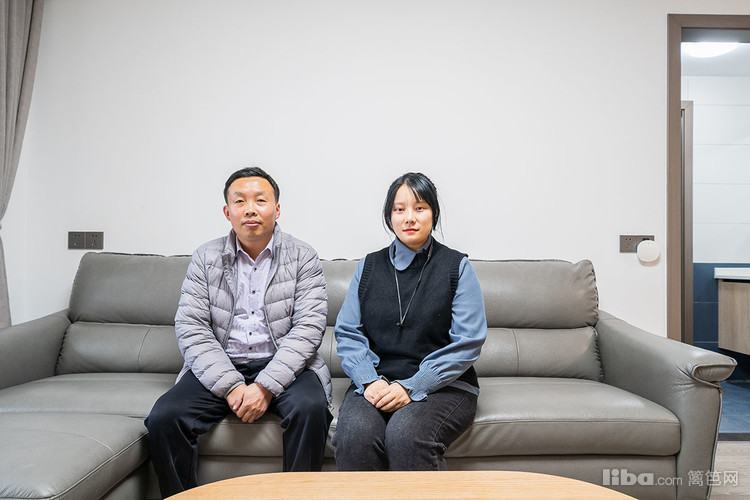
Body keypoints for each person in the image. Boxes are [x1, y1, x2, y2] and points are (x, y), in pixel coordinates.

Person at [145, 167, 332, 497]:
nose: (250, 209)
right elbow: (191, 326)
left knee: (311, 410)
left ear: (277, 209)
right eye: (240, 201)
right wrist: (230, 385)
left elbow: (308, 328)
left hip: (285, 364)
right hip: (221, 362)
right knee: (164, 417)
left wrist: (265, 386)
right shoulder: (206, 257)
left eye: (260, 200)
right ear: (227, 211)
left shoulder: (303, 256)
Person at [332, 172, 487, 471]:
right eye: (399, 209)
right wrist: (368, 379)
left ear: (434, 214)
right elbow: (349, 332)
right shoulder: (368, 266)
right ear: (389, 216)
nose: (409, 218)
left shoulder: (457, 267)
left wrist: (413, 385)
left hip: (444, 385)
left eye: (420, 208)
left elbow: (468, 342)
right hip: (377, 381)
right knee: (354, 436)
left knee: (406, 435)